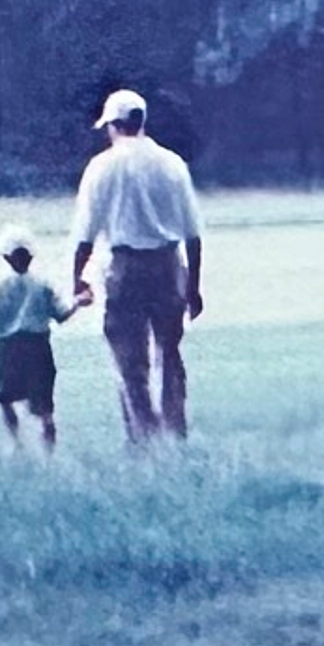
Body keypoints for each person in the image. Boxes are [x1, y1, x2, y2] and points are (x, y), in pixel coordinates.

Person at [68, 88, 205, 442]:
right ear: (142, 121)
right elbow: (193, 234)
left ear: (114, 125)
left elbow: (85, 233)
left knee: (131, 362)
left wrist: (77, 278)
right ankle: (176, 431)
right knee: (170, 353)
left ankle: (143, 438)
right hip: (168, 264)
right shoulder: (172, 164)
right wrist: (193, 286)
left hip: (124, 268)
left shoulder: (101, 167)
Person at [0, 223, 90, 450]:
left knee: (6, 397)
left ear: (6, 258)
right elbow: (61, 314)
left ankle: (15, 441)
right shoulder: (42, 284)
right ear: (31, 256)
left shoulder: (0, 286)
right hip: (38, 347)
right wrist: (79, 302)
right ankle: (48, 450)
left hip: (9, 348)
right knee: (45, 407)